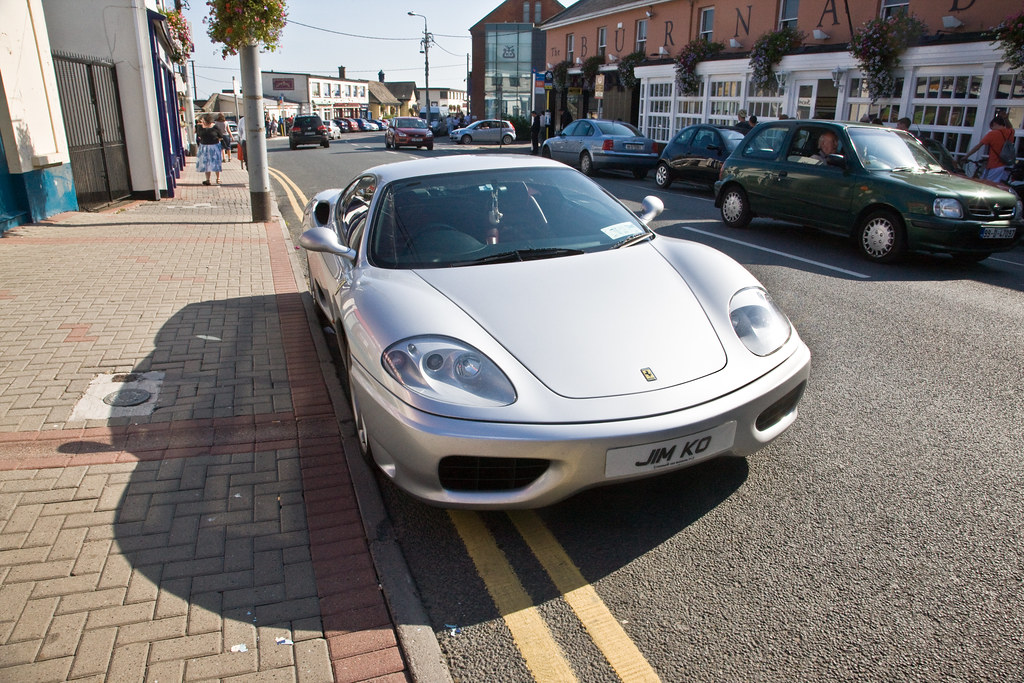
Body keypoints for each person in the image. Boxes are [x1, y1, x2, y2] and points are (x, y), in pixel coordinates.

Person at [965, 115, 1014, 182]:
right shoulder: (1010, 133)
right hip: (1005, 164)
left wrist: (966, 156)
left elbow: (978, 146)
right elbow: (1010, 127)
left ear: (994, 124)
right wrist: (1005, 118)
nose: (991, 129)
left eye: (992, 127)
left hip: (994, 165)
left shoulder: (992, 134)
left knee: (986, 185)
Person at [195, 113, 224, 185]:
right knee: (206, 164)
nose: (202, 121)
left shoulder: (215, 127)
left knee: (216, 163)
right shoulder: (200, 127)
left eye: (203, 119)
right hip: (204, 147)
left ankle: (218, 178)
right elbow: (196, 133)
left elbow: (221, 136)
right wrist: (199, 125)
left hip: (214, 146)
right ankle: (207, 179)